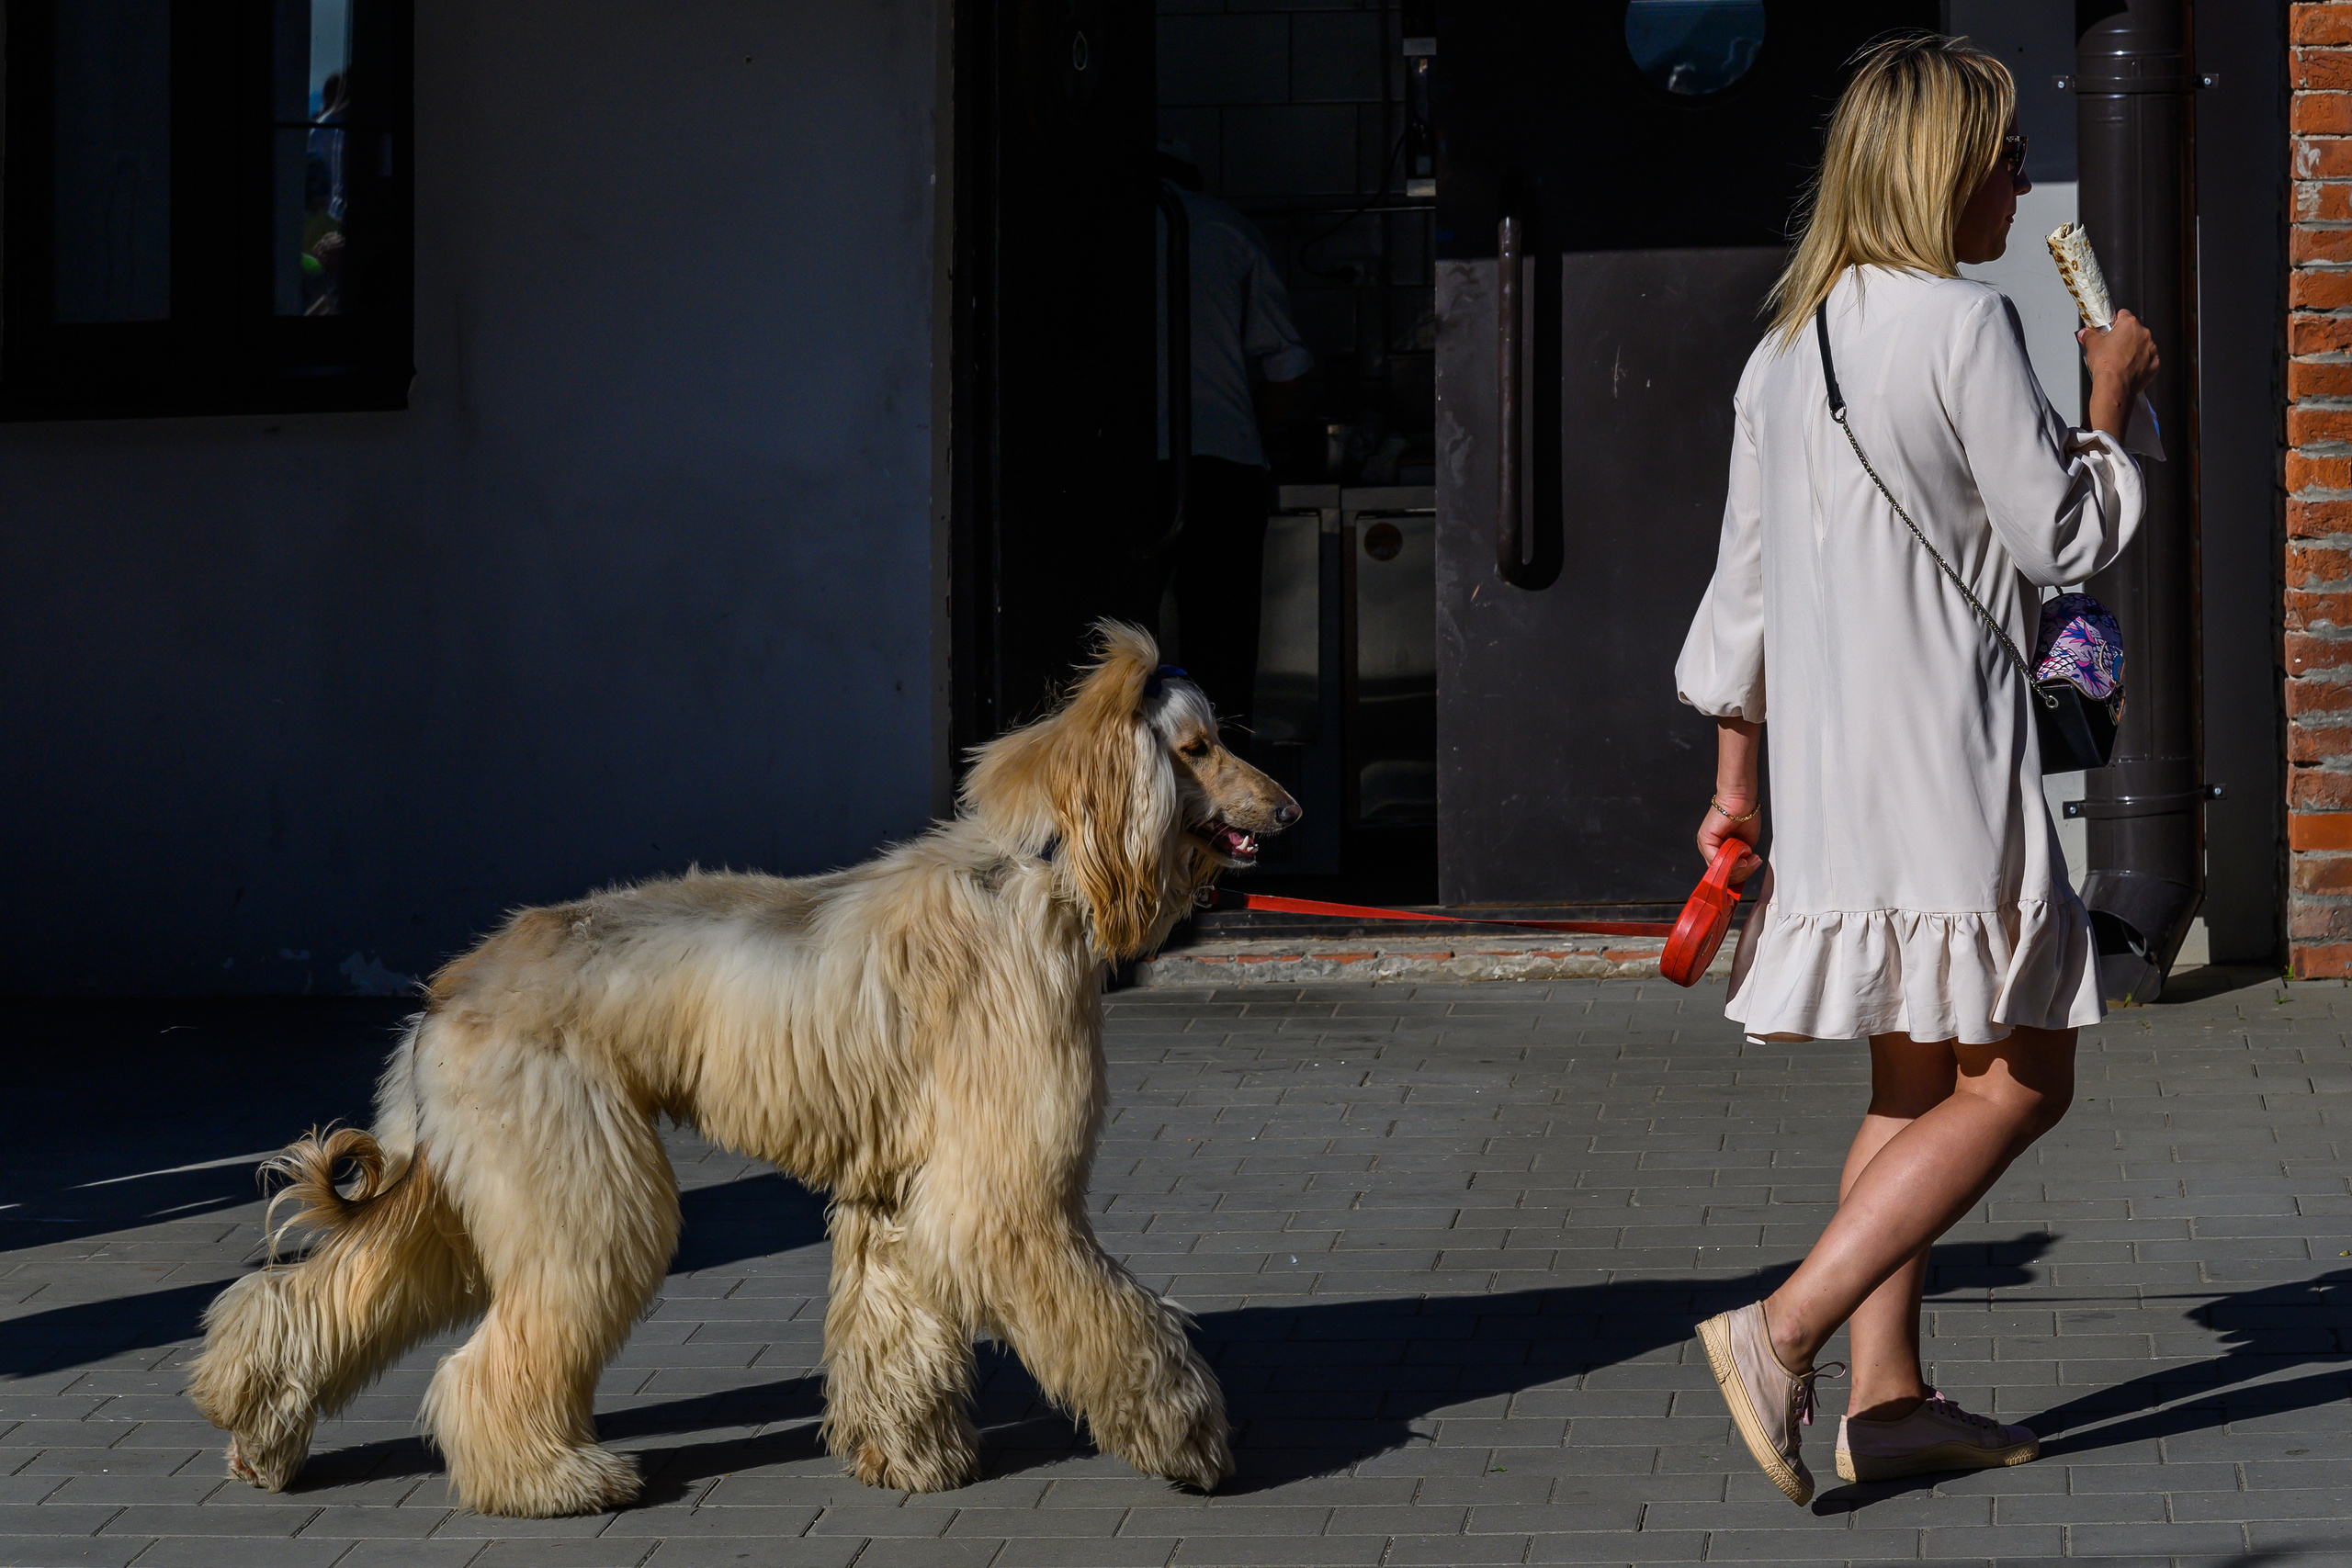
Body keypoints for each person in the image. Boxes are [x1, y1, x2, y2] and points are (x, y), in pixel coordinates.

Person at [1673, 35, 2161, 1506]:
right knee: (2024, 1074)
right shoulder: (1962, 326)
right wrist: (2113, 397)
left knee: (1912, 1070)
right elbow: (2066, 535)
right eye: (2008, 155)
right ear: (1947, 168)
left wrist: (1734, 784)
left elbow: (1738, 602)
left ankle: (1885, 1399)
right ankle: (1784, 1328)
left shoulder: (1781, 348)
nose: (2022, 180)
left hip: (1834, 776)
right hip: (1950, 765)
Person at [1152, 140, 1313, 749]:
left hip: (1124, 470)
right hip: (1223, 467)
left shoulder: (1095, 231)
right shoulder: (1230, 228)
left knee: (1116, 670)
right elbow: (1288, 368)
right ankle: (1218, 818)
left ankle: (1123, 821)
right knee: (1219, 666)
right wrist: (1252, 427)